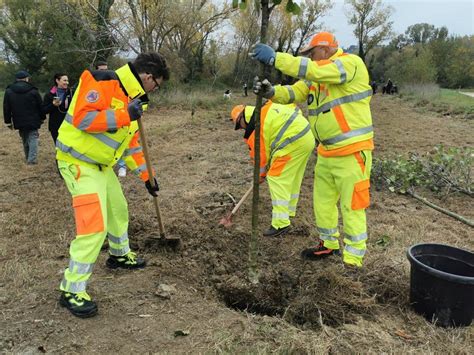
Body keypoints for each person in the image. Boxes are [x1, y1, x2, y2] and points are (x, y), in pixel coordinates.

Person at [55, 52, 169, 318]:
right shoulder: (100, 80)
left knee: (118, 210)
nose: (156, 90)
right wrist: (122, 114)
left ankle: (119, 255)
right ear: (148, 76)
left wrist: (146, 177)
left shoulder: (136, 100)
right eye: (157, 85)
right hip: (77, 162)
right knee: (93, 226)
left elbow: (129, 144)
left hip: (103, 166)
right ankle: (71, 289)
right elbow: (84, 120)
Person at [250, 31, 374, 268]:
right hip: (327, 153)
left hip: (352, 151)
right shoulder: (316, 77)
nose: (311, 58)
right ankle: (328, 244)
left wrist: (276, 58)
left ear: (326, 49)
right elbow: (294, 92)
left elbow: (314, 70)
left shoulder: (349, 64)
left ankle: (353, 260)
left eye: (312, 52)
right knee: (323, 203)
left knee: (352, 206)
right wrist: (271, 92)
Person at [230, 101, 315, 237]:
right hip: (306, 136)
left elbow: (260, 159)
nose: (241, 129)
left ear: (242, 118)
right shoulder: (266, 108)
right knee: (292, 177)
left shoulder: (255, 127)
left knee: (276, 178)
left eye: (239, 126)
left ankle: (281, 223)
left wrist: (261, 175)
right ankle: (288, 211)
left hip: (292, 141)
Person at [3, 70, 45, 165]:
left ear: (17, 79)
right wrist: (42, 117)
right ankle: (32, 160)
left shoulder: (9, 91)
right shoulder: (33, 90)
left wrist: (8, 121)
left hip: (18, 119)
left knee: (25, 138)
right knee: (33, 137)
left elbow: (6, 107)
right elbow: (40, 106)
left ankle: (28, 158)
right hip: (33, 118)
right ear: (26, 78)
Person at [42, 73, 73, 144]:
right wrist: (53, 105)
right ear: (57, 81)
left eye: (67, 81)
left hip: (69, 125)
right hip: (55, 126)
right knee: (58, 147)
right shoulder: (49, 95)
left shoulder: (71, 93)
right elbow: (44, 110)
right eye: (64, 80)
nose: (67, 83)